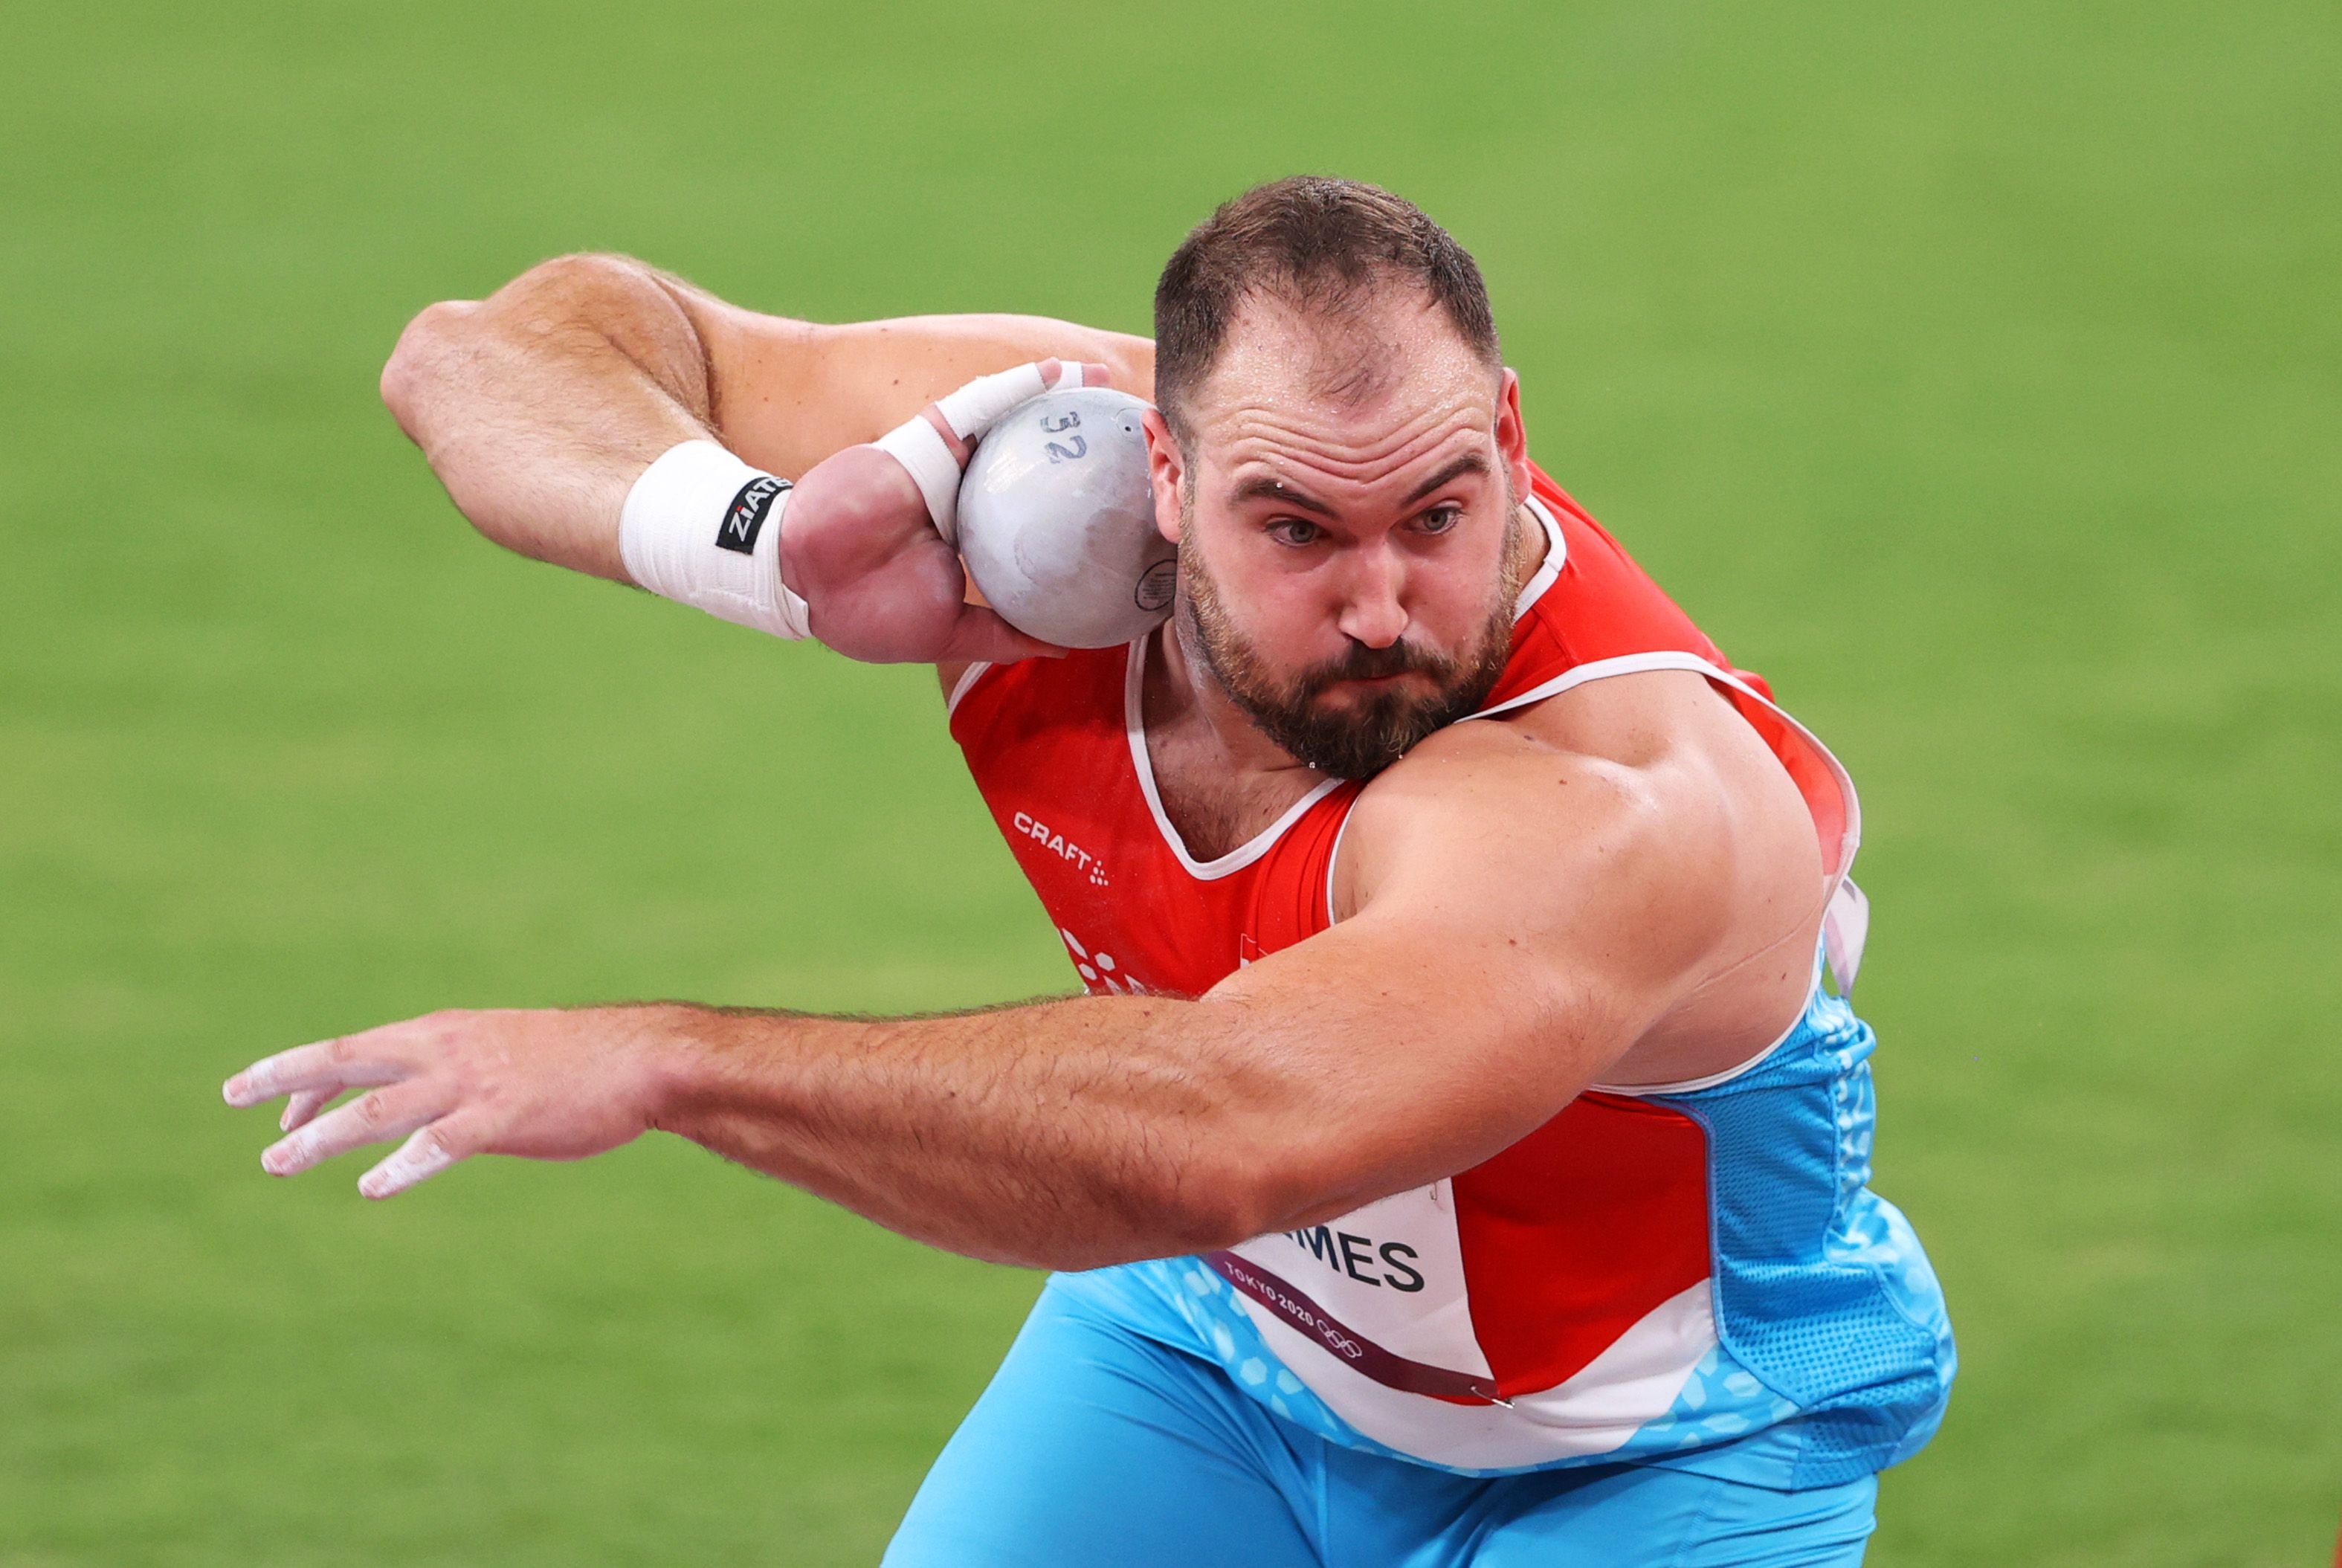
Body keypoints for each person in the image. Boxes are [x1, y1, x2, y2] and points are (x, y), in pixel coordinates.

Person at [224, 177, 1953, 1564]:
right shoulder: (1018, 480)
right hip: (1215, 1355)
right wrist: (773, 558)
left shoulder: (1613, 796)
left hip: (1658, 1454)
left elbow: (1230, 1128)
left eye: (1439, 512)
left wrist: (672, 1055)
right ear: (1167, 472)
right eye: (1296, 528)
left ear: (1507, 432)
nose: (1382, 606)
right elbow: (497, 348)